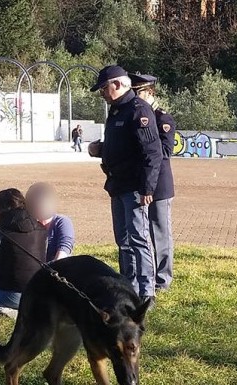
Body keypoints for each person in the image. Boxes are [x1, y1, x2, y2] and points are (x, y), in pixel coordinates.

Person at [87, 65, 163, 302]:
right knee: (123, 241)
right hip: (117, 185)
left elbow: (152, 153)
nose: (102, 94)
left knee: (139, 239)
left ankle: (146, 292)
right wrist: (100, 150)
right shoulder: (117, 110)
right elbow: (123, 147)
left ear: (117, 85)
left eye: (104, 88)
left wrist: (147, 189)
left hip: (134, 188)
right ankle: (127, 289)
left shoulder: (138, 110)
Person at [130, 73, 175, 291]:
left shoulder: (162, 118)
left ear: (150, 92)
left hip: (159, 184)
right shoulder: (135, 115)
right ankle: (144, 275)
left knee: (160, 232)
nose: (135, 97)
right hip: (139, 182)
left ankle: (163, 279)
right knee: (141, 232)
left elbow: (165, 152)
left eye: (138, 93)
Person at [0, 189, 47, 316]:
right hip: (38, 293)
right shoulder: (41, 228)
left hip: (12, 294)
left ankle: (8, 311)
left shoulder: (0, 231)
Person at [25, 182, 75, 262]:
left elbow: (64, 250)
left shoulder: (62, 222)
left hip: (57, 270)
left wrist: (50, 269)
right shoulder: (28, 224)